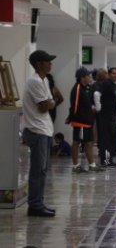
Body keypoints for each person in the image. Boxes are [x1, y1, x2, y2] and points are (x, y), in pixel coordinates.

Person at [22, 50, 57, 217]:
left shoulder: (43, 81)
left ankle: (39, 202)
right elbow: (45, 105)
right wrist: (50, 102)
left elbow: (51, 102)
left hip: (44, 129)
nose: (50, 64)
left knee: (42, 170)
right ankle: (35, 205)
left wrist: (50, 102)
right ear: (38, 64)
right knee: (37, 170)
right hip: (37, 130)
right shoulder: (34, 81)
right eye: (47, 61)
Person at [67, 67, 104, 173]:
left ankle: (92, 164)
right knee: (77, 142)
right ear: (82, 77)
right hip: (80, 121)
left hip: (87, 120)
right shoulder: (78, 88)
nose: (90, 78)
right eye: (88, 76)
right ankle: (75, 166)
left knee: (88, 142)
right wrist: (71, 118)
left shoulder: (86, 88)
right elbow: (74, 105)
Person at [95, 68, 116, 167]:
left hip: (112, 115)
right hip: (105, 115)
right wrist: (98, 108)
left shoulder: (113, 85)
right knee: (105, 139)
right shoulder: (106, 83)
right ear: (109, 74)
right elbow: (97, 94)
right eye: (114, 73)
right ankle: (105, 160)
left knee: (110, 138)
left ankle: (109, 159)